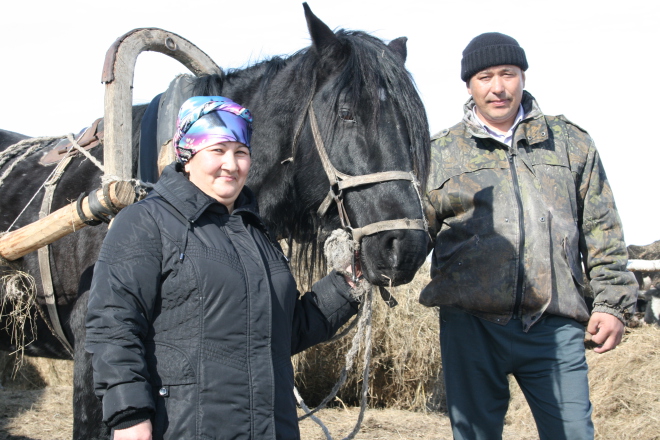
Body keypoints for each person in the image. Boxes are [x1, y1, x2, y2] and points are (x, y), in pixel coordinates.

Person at [85, 96, 359, 440]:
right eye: (217, 150)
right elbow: (113, 325)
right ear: (187, 156)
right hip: (184, 429)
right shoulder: (145, 223)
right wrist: (129, 416)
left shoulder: (259, 234)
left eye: (240, 152)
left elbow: (282, 332)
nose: (231, 164)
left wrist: (349, 283)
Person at [419, 33, 637, 440]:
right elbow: (413, 236)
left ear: (523, 76)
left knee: (573, 432)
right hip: (471, 328)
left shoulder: (570, 142)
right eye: (485, 76)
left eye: (508, 74)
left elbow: (602, 227)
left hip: (553, 327)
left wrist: (611, 303)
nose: (498, 87)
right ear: (469, 84)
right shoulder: (438, 153)